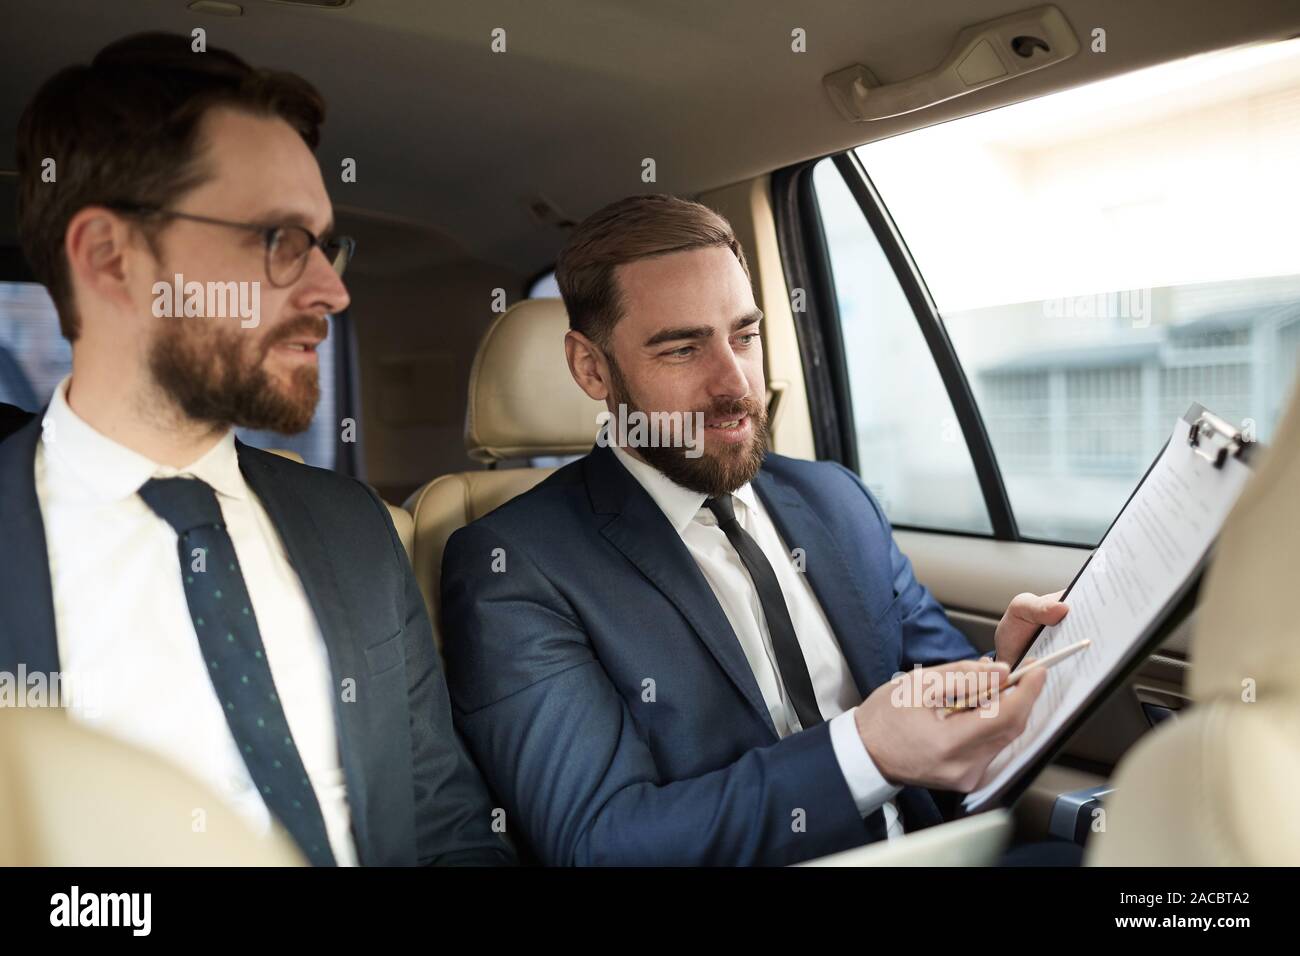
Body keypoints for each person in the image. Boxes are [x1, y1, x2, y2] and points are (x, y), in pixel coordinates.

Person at [0, 32, 512, 867]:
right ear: (108, 256)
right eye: (278, 241)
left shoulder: (354, 530)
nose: (332, 291)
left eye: (323, 244)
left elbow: (443, 823)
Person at [441, 194, 1067, 865]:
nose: (736, 383)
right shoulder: (514, 564)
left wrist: (1006, 670)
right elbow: (603, 843)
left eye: (744, 335)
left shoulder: (835, 500)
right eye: (683, 349)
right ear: (592, 369)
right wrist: (863, 751)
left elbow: (938, 693)